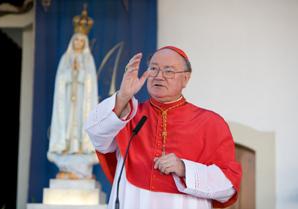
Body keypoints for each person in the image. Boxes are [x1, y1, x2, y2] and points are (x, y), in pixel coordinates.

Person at [85, 46, 242, 208]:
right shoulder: (127, 114)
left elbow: (228, 186)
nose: (159, 76)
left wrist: (185, 169)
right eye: (153, 69)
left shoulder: (210, 123)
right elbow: (95, 135)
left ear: (186, 79)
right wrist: (123, 96)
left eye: (169, 71)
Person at [47, 29, 99, 179]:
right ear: (72, 41)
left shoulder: (88, 59)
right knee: (68, 123)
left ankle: (82, 148)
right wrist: (71, 73)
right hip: (68, 100)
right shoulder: (66, 58)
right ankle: (67, 147)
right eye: (76, 40)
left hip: (83, 100)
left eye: (82, 41)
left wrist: (80, 72)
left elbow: (90, 81)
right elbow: (60, 79)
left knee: (81, 122)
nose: (79, 43)